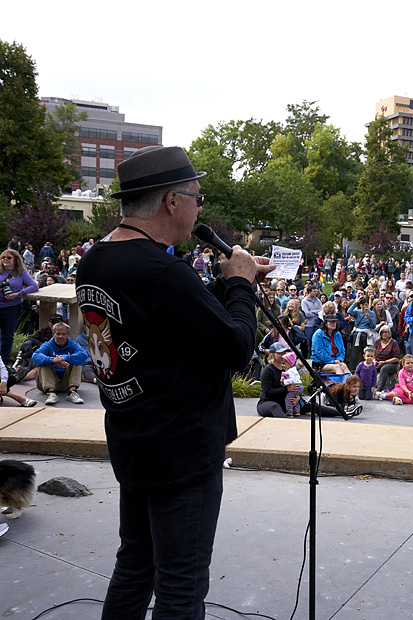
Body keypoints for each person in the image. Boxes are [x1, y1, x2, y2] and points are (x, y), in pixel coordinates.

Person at [76, 145, 274, 618]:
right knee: (181, 586)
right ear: (171, 201)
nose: (199, 208)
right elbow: (234, 348)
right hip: (182, 449)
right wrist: (241, 285)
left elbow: (169, 319)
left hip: (134, 439)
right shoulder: (163, 271)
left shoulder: (97, 260)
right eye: (196, 198)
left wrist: (227, 283)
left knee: (135, 566)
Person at [31, 321, 89, 405]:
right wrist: (52, 361)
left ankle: (72, 392)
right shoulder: (47, 345)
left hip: (66, 383)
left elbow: (83, 355)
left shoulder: (73, 344)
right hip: (47, 383)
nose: (60, 336)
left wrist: (64, 358)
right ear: (53, 334)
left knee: (78, 361)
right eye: (58, 334)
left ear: (68, 335)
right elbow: (35, 356)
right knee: (43, 362)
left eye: (63, 334)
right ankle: (51, 393)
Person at [0, 249, 39, 367]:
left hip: (12, 307)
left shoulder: (21, 273)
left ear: (16, 260)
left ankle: (4, 362)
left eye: (9, 258)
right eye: (3, 257)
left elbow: (34, 286)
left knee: (7, 335)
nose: (5, 259)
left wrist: (18, 294)